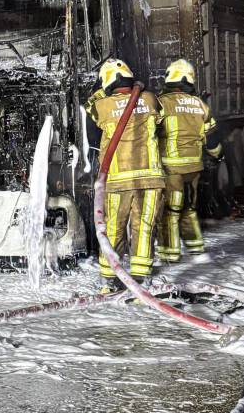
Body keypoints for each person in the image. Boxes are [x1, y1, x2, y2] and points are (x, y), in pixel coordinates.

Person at [86, 58, 163, 288]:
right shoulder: (149, 99)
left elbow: (90, 107)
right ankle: (141, 278)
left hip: (118, 179)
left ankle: (109, 279)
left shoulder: (103, 106)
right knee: (145, 226)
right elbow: (161, 118)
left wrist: (100, 91)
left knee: (112, 228)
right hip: (150, 178)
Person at [155, 59, 223, 263]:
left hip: (171, 167)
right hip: (194, 167)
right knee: (189, 208)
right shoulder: (200, 104)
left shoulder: (161, 103)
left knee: (171, 210)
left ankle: (169, 254)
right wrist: (217, 154)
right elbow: (212, 138)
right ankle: (195, 247)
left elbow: (150, 133)